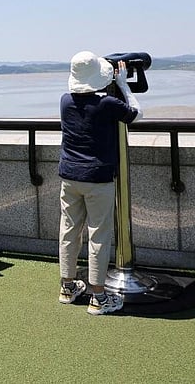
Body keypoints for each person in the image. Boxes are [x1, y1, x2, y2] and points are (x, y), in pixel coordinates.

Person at [57, 51, 142, 315]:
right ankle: (98, 297)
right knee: (98, 236)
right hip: (97, 178)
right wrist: (124, 83)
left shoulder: (65, 101)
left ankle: (67, 288)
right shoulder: (106, 105)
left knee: (69, 232)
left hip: (69, 175)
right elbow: (136, 114)